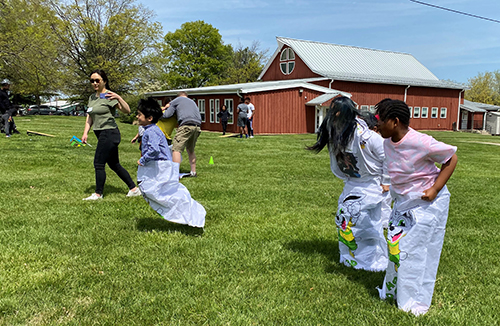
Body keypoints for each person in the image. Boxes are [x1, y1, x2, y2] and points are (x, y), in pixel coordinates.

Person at [375, 99, 457, 316]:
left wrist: (436, 189)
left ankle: (414, 300)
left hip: (427, 203)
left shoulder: (420, 142)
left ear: (394, 121)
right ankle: (395, 289)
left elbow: (451, 158)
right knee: (396, 248)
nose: (377, 125)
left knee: (415, 251)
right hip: (404, 202)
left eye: (380, 120)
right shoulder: (387, 141)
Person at [307, 96, 389, 271]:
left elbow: (387, 156)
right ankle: (350, 257)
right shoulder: (337, 134)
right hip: (353, 186)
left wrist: (386, 182)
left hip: (370, 187)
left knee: (368, 224)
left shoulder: (366, 136)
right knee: (347, 221)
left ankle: (370, 259)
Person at [136, 97, 206, 228]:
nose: (137, 116)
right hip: (160, 166)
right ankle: (182, 214)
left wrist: (143, 159)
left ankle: (190, 214)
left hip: (160, 168)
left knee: (165, 194)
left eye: (140, 114)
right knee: (163, 193)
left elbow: (154, 149)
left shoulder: (151, 131)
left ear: (149, 118)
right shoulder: (153, 129)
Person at [82, 69, 141, 200]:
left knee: (98, 162)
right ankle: (134, 189)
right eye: (92, 81)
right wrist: (85, 133)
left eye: (97, 80)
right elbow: (89, 116)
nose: (95, 83)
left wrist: (118, 97)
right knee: (114, 164)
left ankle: (98, 194)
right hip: (100, 133)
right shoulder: (92, 98)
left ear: (104, 81)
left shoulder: (109, 95)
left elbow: (127, 110)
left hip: (109, 132)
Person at [359, 111, 392, 228]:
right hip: (367, 177)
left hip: (380, 177)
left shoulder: (378, 140)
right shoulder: (359, 140)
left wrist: (386, 182)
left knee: (383, 202)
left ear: (374, 128)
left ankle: (385, 224)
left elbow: (387, 160)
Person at [162, 91, 202, 177]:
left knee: (176, 149)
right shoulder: (192, 102)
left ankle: (175, 173)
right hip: (197, 126)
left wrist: (162, 110)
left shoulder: (175, 101)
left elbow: (167, 115)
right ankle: (193, 172)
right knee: (190, 149)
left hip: (186, 125)